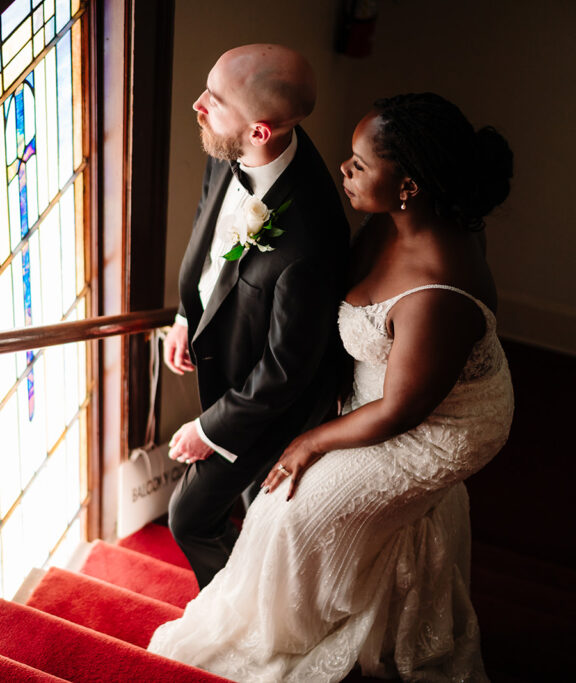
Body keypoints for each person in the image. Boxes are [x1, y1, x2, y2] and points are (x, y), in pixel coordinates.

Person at [148, 93, 514, 682]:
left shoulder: (438, 299)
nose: (343, 169)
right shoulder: (388, 219)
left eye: (360, 163)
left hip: (438, 424)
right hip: (393, 388)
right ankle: (377, 611)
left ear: (409, 185)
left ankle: (276, 638)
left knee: (285, 514)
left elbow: (400, 411)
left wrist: (311, 441)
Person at [163, 44, 350, 588]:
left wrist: (207, 429)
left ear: (261, 131)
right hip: (226, 359)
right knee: (247, 506)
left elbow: (287, 370)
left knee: (190, 516)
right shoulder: (228, 143)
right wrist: (184, 314)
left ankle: (237, 610)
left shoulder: (311, 239)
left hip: (270, 405)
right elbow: (209, 220)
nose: (198, 105)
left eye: (214, 100)